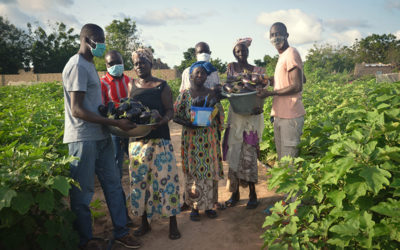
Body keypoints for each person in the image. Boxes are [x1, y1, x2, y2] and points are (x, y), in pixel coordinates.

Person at [62, 23, 140, 249]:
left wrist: (112, 120)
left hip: (101, 135)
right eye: (100, 40)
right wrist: (114, 122)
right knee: (83, 193)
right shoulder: (76, 66)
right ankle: (85, 240)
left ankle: (121, 231)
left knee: (114, 184)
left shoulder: (89, 65)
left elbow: (95, 105)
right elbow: (77, 109)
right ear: (87, 40)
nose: (103, 45)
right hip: (83, 138)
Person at [128, 47, 181, 240]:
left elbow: (170, 111)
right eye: (135, 63)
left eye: (142, 62)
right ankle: (144, 223)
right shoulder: (131, 85)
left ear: (151, 63)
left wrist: (161, 120)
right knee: (140, 183)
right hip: (138, 142)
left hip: (160, 139)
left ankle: (172, 224)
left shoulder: (162, 85)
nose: (139, 66)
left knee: (167, 182)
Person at [174, 61, 224, 221]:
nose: (200, 76)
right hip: (191, 140)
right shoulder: (184, 95)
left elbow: (219, 113)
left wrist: (214, 113)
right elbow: (175, 115)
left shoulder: (211, 94)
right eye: (197, 73)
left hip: (209, 140)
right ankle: (194, 207)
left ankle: (209, 205)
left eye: (203, 73)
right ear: (190, 76)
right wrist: (187, 123)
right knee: (193, 173)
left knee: (209, 172)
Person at [223, 38, 265, 209]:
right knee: (234, 152)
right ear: (234, 53)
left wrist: (259, 106)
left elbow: (261, 91)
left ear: (248, 51)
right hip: (236, 115)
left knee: (249, 153)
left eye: (244, 51)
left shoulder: (257, 71)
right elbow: (227, 85)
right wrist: (229, 89)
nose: (241, 54)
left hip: (251, 117)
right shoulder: (231, 68)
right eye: (238, 51)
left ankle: (253, 194)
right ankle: (235, 193)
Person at [257, 22, 305, 163]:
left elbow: (297, 86)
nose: (275, 37)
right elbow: (300, 77)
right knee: (282, 160)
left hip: (290, 116)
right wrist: (270, 80)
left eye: (278, 34)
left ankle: (293, 185)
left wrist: (270, 93)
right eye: (272, 35)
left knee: (288, 162)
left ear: (286, 35)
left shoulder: (291, 53)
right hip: (280, 115)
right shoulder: (283, 56)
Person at [100, 50, 131, 180]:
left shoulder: (130, 81)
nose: (115, 65)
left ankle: (138, 183)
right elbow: (101, 107)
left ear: (123, 63)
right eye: (111, 63)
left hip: (130, 125)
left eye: (118, 62)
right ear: (106, 66)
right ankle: (117, 186)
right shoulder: (102, 83)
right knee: (116, 158)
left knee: (135, 155)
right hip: (113, 127)